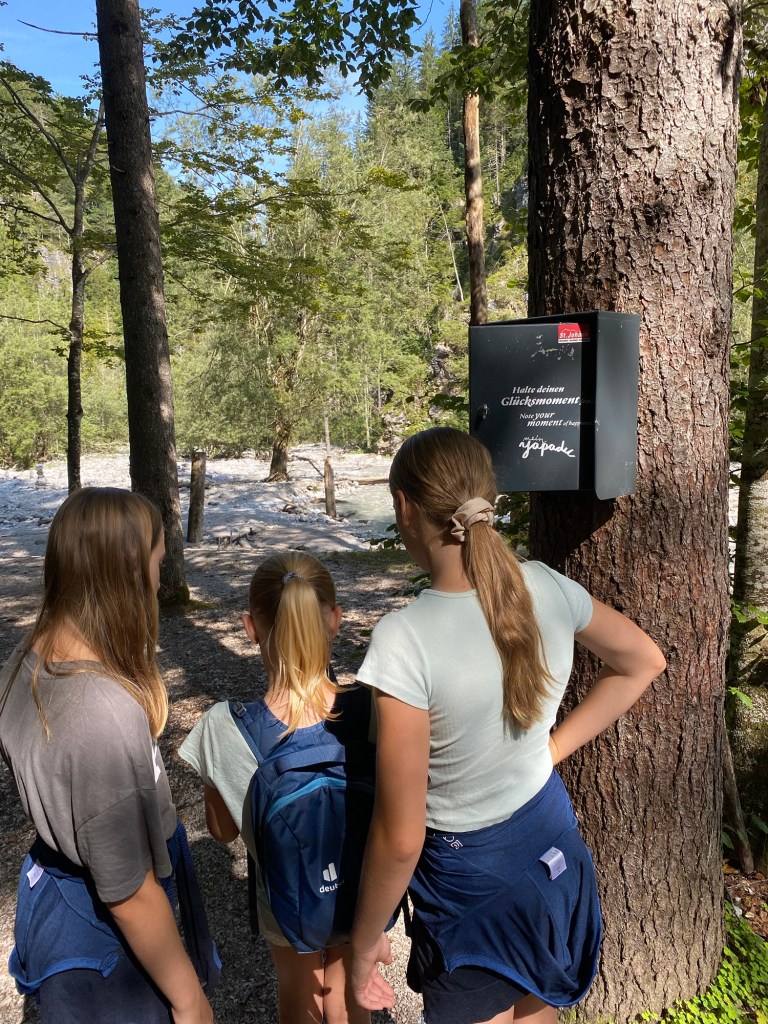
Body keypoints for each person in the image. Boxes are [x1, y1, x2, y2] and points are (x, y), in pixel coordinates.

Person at [349, 426, 667, 1024]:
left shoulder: (403, 641)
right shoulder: (545, 584)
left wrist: (366, 944)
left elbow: (400, 837)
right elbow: (643, 662)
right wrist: (550, 749)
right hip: (550, 839)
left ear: (404, 508)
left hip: (470, 882)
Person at [0, 487, 217, 1024]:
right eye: (155, 563)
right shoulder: (101, 712)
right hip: (105, 944)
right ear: (124, 575)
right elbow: (127, 891)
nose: (159, 579)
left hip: (58, 892)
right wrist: (189, 1000)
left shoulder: (23, 661)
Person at [179, 551, 371, 1024]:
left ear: (251, 626)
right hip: (358, 883)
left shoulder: (222, 728)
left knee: (297, 986)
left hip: (284, 894)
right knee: (345, 986)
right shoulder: (371, 710)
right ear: (334, 619)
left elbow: (223, 832)